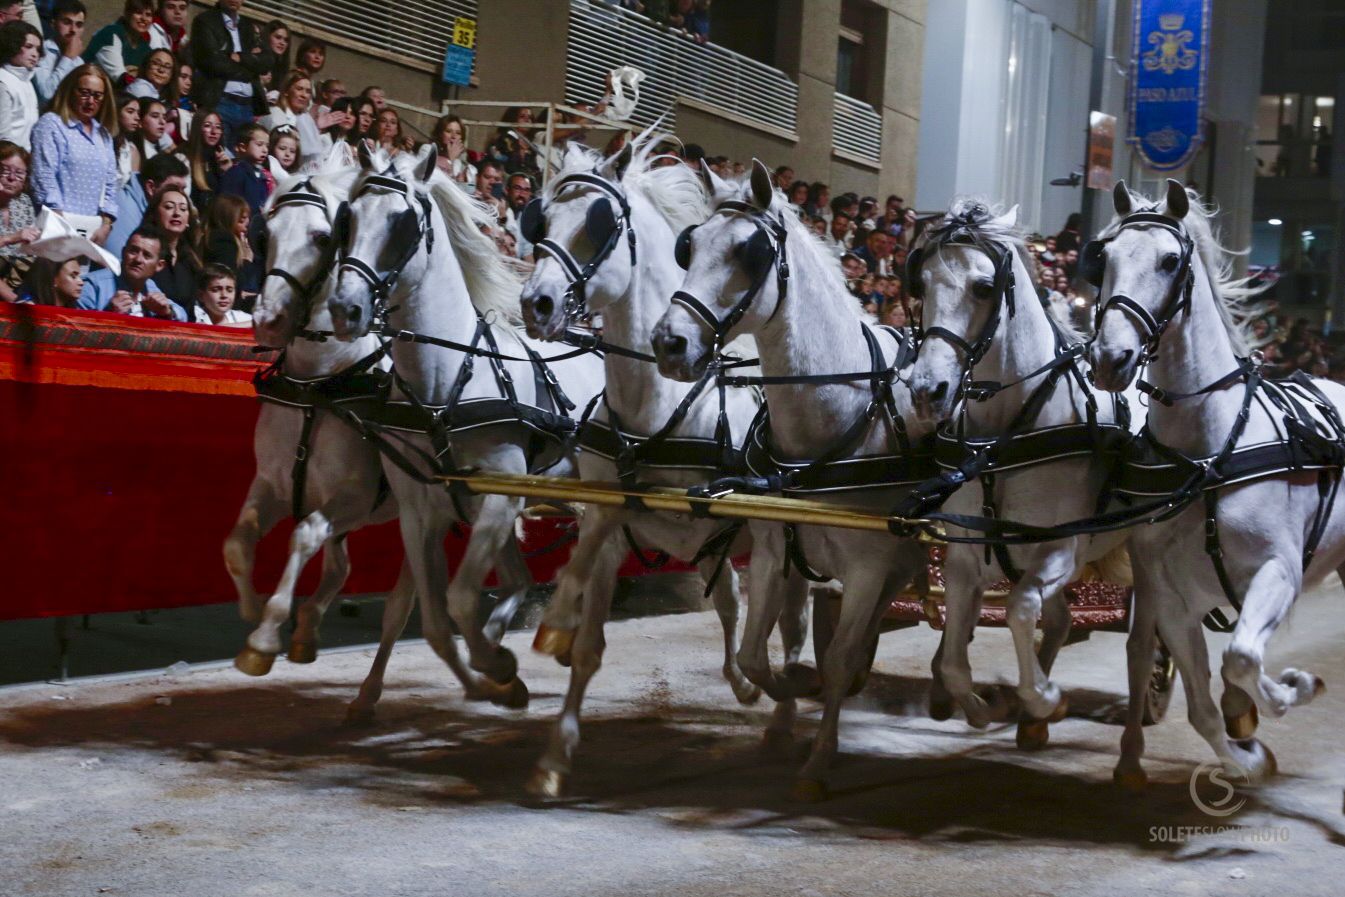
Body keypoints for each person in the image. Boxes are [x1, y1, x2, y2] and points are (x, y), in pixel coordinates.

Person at [30, 63, 119, 244]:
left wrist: (106, 223)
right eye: (84, 92)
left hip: (90, 229)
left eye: (97, 95)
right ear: (71, 91)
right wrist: (59, 221)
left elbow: (111, 183)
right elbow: (44, 174)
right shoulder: (52, 124)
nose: (90, 101)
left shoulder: (103, 135)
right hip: (55, 224)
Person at [190, 0, 274, 146]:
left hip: (247, 106)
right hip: (221, 101)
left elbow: (267, 60)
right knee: (222, 156)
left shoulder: (248, 26)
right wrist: (249, 70)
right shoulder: (205, 21)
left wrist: (240, 57)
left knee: (242, 161)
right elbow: (212, 62)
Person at [77, 226, 186, 319]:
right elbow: (74, 332)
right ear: (123, 252)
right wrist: (108, 315)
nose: (138, 259)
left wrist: (168, 312)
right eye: (133, 251)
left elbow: (182, 315)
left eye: (147, 255)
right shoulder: (92, 285)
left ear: (159, 265)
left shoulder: (150, 286)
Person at [104, 149, 187, 256]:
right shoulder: (125, 210)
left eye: (183, 189)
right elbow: (121, 263)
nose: (179, 195)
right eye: (173, 188)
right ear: (151, 187)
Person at [142, 183, 199, 315]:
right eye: (169, 207)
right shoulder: (143, 253)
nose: (177, 213)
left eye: (183, 209)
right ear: (155, 214)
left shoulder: (190, 261)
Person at [259, 71, 327, 164]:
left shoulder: (306, 118)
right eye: (299, 89)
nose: (304, 95)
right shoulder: (275, 115)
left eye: (308, 91)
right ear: (286, 91)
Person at [201, 192, 258, 301]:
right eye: (242, 219)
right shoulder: (225, 242)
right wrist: (246, 261)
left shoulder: (213, 237)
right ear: (229, 219)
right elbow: (230, 279)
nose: (248, 222)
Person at [84, 0, 154, 87]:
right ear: (127, 14)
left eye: (148, 15)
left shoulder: (145, 47)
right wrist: (138, 75)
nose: (143, 19)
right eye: (138, 13)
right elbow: (120, 78)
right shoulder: (110, 34)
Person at [0, 140, 38, 302]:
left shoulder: (24, 202)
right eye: (5, 170)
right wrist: (11, 238)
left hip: (17, 274)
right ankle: (17, 303)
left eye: (19, 173)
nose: (11, 178)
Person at [34, 0, 83, 107]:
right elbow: (47, 95)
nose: (73, 30)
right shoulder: (41, 51)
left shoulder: (79, 61)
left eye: (79, 25)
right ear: (53, 24)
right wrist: (67, 58)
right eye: (67, 22)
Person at [0, 19, 40, 149]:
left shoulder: (27, 81)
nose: (35, 54)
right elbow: (3, 135)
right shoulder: (3, 81)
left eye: (38, 49)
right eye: (28, 47)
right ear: (13, 45)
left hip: (24, 160)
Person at [217, 120, 269, 213]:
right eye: (259, 144)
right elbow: (229, 206)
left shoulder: (262, 176)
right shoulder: (236, 173)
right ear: (242, 147)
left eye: (267, 146)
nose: (265, 150)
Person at [184, 108, 228, 211]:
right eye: (207, 126)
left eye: (218, 127)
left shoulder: (219, 157)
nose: (214, 131)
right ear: (197, 128)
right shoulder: (184, 156)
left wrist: (226, 172)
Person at [485, 106, 537, 175]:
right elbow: (500, 163)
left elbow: (533, 168)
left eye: (530, 117)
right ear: (512, 119)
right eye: (522, 116)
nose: (527, 120)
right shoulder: (501, 140)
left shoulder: (531, 146)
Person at [18, 256, 84, 305]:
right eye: (73, 276)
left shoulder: (73, 309)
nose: (81, 282)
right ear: (53, 279)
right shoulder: (28, 308)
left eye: (79, 276)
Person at [431, 113, 475, 184]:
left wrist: (463, 183)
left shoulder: (459, 164)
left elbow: (469, 187)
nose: (454, 136)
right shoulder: (429, 151)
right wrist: (450, 159)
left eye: (458, 133)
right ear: (440, 134)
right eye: (448, 131)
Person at [503, 171, 533, 259]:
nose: (522, 194)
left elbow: (528, 257)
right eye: (517, 188)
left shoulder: (525, 222)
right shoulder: (498, 213)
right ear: (507, 190)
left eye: (526, 190)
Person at [258, 18, 286, 101]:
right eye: (278, 37)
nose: (282, 43)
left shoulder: (281, 69)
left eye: (286, 40)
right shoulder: (255, 59)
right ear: (268, 37)